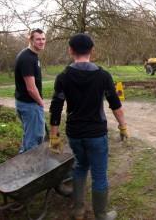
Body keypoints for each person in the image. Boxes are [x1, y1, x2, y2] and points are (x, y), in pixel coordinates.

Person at [49, 33, 128, 220]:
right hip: (96, 134)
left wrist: (54, 136)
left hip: (75, 134)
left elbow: (56, 107)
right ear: (92, 50)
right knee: (99, 174)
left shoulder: (63, 77)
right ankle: (101, 214)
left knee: (79, 168)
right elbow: (115, 104)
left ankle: (78, 210)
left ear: (70, 51)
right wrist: (123, 126)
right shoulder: (103, 76)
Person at [14, 28, 46, 153]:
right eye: (38, 39)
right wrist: (41, 102)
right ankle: (29, 170)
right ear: (31, 40)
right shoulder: (27, 58)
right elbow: (31, 88)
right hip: (30, 105)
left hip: (27, 103)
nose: (41, 42)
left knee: (30, 136)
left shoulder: (32, 56)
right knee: (34, 140)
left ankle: (23, 164)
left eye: (43, 39)